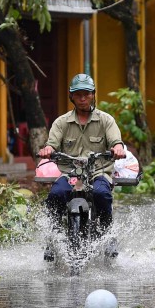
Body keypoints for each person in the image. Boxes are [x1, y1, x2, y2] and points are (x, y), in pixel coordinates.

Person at [38, 73, 125, 258]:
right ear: (72, 97)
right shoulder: (61, 122)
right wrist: (47, 149)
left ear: (93, 94)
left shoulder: (105, 120)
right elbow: (51, 144)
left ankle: (108, 236)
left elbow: (116, 140)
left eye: (87, 93)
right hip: (70, 174)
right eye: (78, 94)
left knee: (102, 194)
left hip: (98, 171)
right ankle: (52, 240)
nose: (83, 98)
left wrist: (117, 147)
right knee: (55, 195)